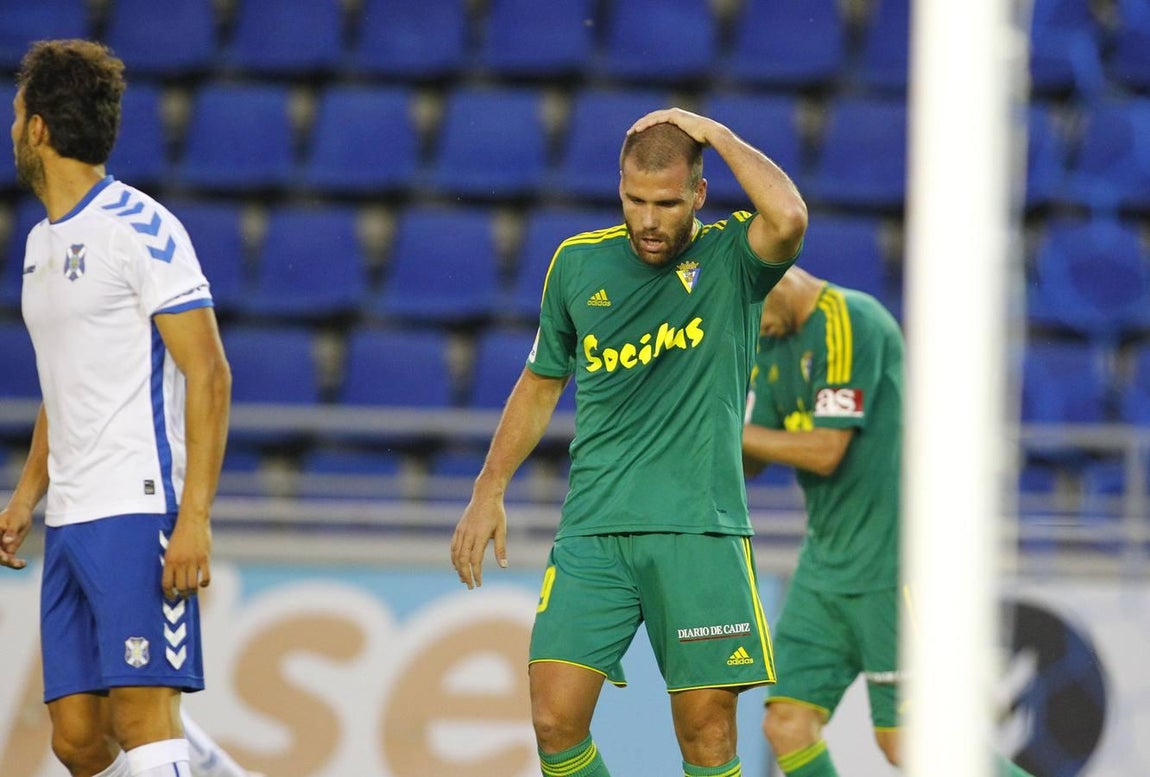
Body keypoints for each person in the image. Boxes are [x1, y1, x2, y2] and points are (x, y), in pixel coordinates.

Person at [451, 107, 808, 777]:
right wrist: (487, 488)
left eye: (667, 203)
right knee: (554, 717)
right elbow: (538, 383)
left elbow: (788, 216)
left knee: (706, 736)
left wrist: (718, 135)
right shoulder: (578, 265)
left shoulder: (733, 258)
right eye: (635, 199)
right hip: (595, 528)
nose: (648, 219)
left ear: (698, 194)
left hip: (699, 531)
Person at [0, 40, 233, 777]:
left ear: (38, 128)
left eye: (15, 115)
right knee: (75, 737)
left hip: (139, 506)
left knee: (142, 715)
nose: (11, 130)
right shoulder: (38, 245)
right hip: (69, 516)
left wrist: (193, 514)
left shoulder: (142, 228)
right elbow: (65, 384)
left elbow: (210, 371)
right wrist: (27, 494)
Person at [742, 266, 1033, 777]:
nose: (747, 325)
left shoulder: (852, 320)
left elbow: (827, 450)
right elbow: (754, 452)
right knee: (786, 721)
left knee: (909, 743)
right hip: (824, 565)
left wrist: (721, 429)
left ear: (774, 278)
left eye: (748, 309)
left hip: (895, 563)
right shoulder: (766, 337)